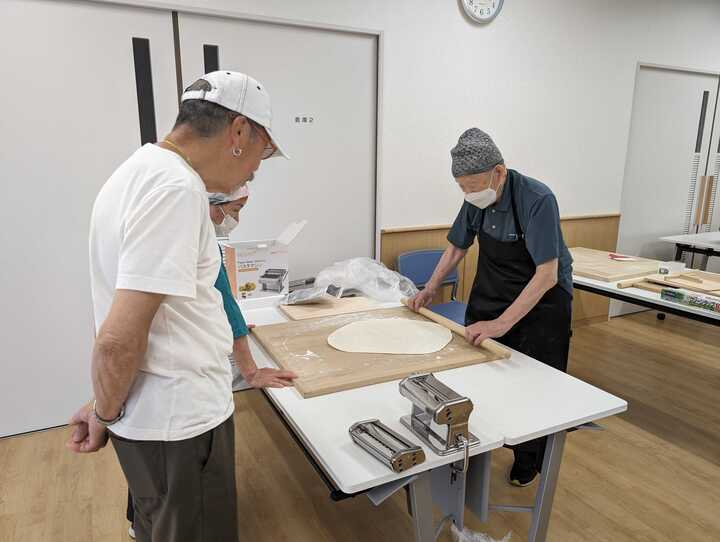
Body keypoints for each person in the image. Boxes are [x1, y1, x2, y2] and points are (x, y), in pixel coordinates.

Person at [67, 70, 288, 542]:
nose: (255, 169)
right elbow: (117, 339)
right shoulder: (177, 189)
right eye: (263, 152)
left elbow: (129, 320)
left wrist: (102, 403)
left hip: (154, 419)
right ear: (239, 132)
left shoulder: (137, 172)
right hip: (180, 425)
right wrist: (103, 412)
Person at [408, 128, 573, 487]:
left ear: (499, 172)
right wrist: (430, 288)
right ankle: (477, 446)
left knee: (532, 385)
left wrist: (499, 325)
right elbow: (457, 247)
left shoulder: (537, 199)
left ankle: (528, 459)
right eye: (462, 188)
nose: (469, 195)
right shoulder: (475, 200)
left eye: (474, 186)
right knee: (480, 376)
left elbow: (546, 274)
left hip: (542, 302)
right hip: (493, 290)